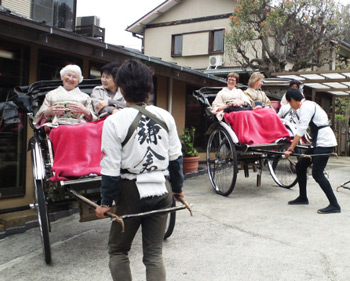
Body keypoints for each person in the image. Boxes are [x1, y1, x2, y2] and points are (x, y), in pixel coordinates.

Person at [95, 59, 184, 281]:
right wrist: (178, 189)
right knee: (154, 253)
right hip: (162, 189)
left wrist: (105, 203)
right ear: (149, 87)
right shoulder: (166, 116)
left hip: (130, 191)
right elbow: (175, 159)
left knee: (118, 250)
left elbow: (111, 168)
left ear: (121, 88)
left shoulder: (114, 121)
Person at [283, 88, 340, 214]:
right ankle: (303, 197)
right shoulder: (307, 105)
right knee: (300, 166)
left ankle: (335, 205)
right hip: (317, 142)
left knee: (317, 173)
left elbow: (301, 130)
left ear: (292, 100)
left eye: (289, 103)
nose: (291, 106)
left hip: (324, 142)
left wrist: (291, 148)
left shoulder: (306, 108)